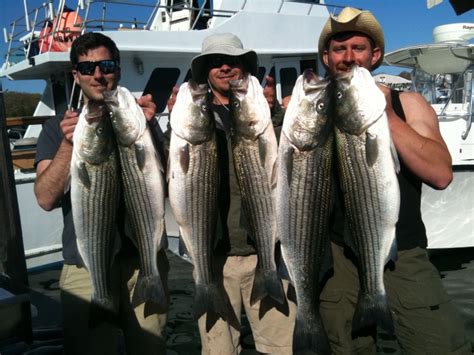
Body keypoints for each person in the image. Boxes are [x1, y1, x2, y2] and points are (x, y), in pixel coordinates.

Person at [316, 7, 471, 355]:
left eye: (358, 47)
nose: (349, 57)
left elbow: (442, 174)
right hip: (338, 254)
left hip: (401, 249)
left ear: (376, 55)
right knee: (346, 346)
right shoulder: (314, 109)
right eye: (339, 49)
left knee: (438, 345)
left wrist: (386, 114)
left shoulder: (409, 103)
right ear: (326, 57)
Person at [34, 32, 169, 355]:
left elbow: (167, 183)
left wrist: (148, 128)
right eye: (87, 68)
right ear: (75, 75)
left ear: (118, 70)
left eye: (106, 65)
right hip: (86, 265)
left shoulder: (138, 120)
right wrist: (68, 145)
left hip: (141, 262)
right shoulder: (57, 129)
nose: (98, 74)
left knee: (150, 348)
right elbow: (45, 198)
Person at [177, 32, 295, 355]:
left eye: (233, 61)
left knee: (281, 347)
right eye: (215, 63)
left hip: (267, 254)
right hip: (215, 260)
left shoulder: (268, 116)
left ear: (245, 67)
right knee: (218, 350)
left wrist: (275, 115)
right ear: (205, 72)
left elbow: (291, 163)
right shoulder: (194, 120)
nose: (225, 68)